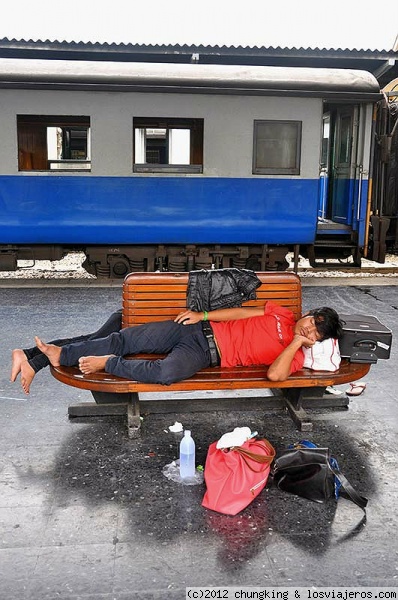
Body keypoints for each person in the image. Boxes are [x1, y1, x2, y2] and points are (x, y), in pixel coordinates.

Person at [32, 302, 343, 387]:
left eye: (316, 334)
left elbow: (275, 377)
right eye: (312, 322)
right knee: (124, 338)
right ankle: (62, 353)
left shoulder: (297, 359)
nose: (309, 329)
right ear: (309, 313)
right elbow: (242, 311)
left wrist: (295, 343)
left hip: (205, 354)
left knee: (166, 373)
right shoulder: (282, 313)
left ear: (318, 342)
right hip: (197, 329)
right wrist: (202, 314)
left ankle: (107, 363)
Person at [11, 310, 122, 394]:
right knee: (95, 344)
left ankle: (28, 354)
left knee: (91, 341)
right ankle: (34, 363)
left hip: (127, 314)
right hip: (131, 317)